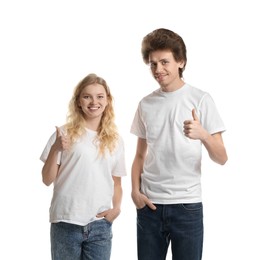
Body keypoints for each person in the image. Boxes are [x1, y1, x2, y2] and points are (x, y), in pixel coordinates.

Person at [130, 28, 228, 260]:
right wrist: (135, 192)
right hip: (150, 206)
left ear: (181, 62)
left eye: (164, 62)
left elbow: (222, 158)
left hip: (187, 206)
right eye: (153, 64)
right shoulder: (145, 104)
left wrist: (203, 135)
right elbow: (140, 156)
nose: (158, 70)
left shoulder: (201, 99)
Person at [40, 73, 126, 260]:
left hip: (100, 225)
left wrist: (116, 209)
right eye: (87, 96)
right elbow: (47, 180)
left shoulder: (116, 140)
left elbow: (116, 182)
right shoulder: (64, 134)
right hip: (66, 221)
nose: (93, 101)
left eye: (100, 96)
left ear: (107, 101)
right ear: (78, 101)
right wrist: (55, 149)